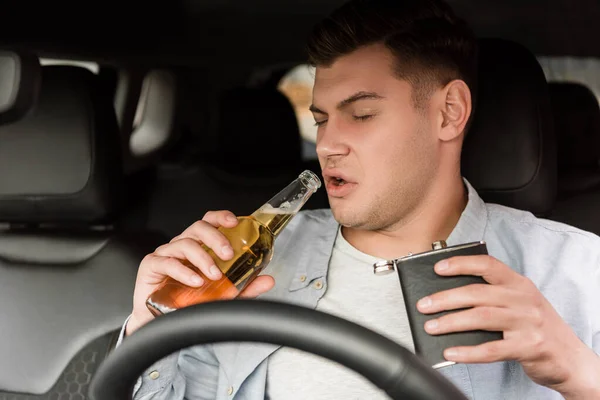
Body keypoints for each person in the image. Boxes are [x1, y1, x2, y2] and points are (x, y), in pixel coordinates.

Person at [118, 0, 600, 398]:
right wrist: (149, 329)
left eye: (362, 114)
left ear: (449, 113)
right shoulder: (246, 264)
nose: (327, 144)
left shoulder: (577, 272)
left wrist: (580, 373)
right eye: (322, 118)